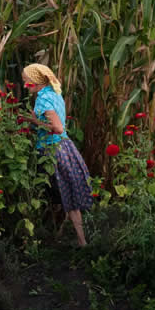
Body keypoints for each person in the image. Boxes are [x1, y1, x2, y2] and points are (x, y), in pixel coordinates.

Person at [18, 63, 92, 247]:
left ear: (35, 81)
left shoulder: (43, 100)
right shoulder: (54, 94)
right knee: (65, 194)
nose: (24, 83)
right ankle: (63, 235)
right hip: (66, 147)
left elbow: (58, 128)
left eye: (26, 80)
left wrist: (35, 121)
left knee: (63, 194)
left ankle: (82, 242)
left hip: (54, 150)